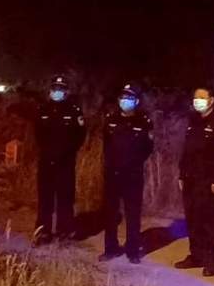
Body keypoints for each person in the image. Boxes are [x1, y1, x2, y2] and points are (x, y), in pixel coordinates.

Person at [175, 88, 214, 277]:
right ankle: (197, 255)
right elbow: (186, 152)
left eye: (202, 97)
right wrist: (182, 175)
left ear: (211, 100)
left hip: (208, 181)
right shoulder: (194, 121)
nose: (197, 101)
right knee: (193, 218)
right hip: (190, 179)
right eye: (195, 98)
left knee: (209, 220)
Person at [100, 83, 154, 264]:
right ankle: (110, 248)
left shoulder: (144, 121)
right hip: (112, 174)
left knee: (133, 213)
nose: (125, 101)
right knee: (110, 213)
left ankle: (133, 250)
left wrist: (134, 162)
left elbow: (148, 148)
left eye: (129, 98)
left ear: (136, 101)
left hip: (133, 175)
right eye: (123, 97)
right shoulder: (111, 119)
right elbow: (106, 144)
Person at [33, 75, 87, 246]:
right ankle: (43, 231)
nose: (57, 92)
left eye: (60, 89)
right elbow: (37, 134)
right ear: (50, 91)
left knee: (65, 197)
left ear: (66, 91)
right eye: (55, 88)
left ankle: (64, 231)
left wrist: (69, 152)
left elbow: (80, 135)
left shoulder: (74, 111)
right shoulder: (42, 109)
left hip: (66, 162)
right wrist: (47, 151)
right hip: (46, 161)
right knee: (45, 198)